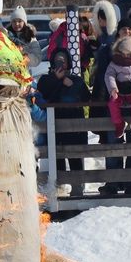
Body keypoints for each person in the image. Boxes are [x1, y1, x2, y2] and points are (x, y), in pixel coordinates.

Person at [37, 48, 89, 197]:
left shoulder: (76, 79)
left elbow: (85, 98)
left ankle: (77, 188)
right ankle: (58, 189)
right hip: (55, 125)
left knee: (75, 156)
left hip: (75, 125)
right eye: (58, 59)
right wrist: (56, 80)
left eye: (64, 59)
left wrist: (71, 85)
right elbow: (44, 97)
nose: (61, 62)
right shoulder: (45, 80)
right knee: (56, 157)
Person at [103, 34, 131, 196]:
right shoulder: (114, 62)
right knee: (112, 104)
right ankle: (118, 124)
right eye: (123, 53)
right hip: (120, 96)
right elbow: (109, 75)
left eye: (128, 53)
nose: (125, 56)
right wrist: (113, 89)